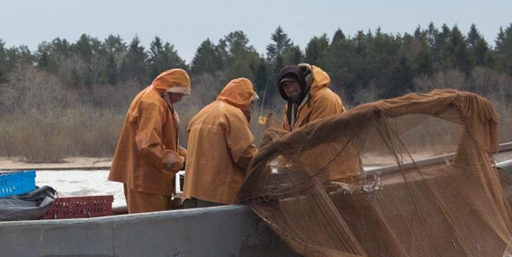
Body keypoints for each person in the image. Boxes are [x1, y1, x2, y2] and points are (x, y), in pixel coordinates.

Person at [108, 68, 190, 214]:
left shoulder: (157, 100)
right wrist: (180, 162)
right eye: (180, 94)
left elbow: (164, 141)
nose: (180, 99)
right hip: (145, 182)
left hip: (149, 181)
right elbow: (148, 146)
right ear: (170, 89)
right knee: (150, 231)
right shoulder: (153, 103)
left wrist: (188, 155)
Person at [182, 78, 259, 209]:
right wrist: (264, 162)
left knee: (198, 230)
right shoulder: (233, 114)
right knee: (220, 230)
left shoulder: (201, 114)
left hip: (191, 193)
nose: (250, 107)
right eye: (251, 102)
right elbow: (244, 154)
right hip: (219, 195)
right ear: (244, 99)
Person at [278, 63, 345, 131]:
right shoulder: (291, 107)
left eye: (292, 84)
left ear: (301, 82)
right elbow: (286, 134)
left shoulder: (325, 98)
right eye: (285, 86)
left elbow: (319, 135)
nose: (290, 89)